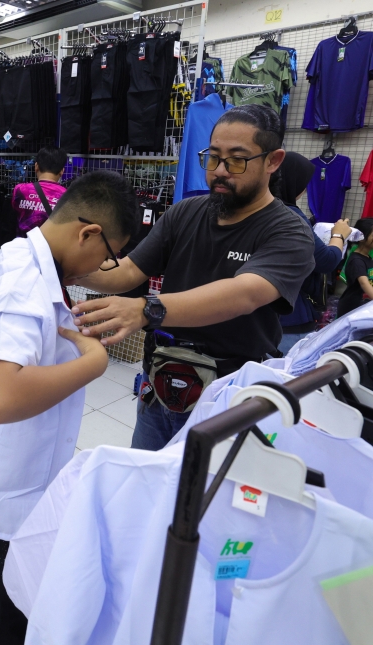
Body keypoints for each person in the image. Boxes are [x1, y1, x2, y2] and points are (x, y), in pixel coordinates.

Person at [0, 171, 138, 645]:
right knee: (4, 620)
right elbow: (0, 397)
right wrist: (90, 365)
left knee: (15, 601)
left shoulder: (22, 256)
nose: (104, 268)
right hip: (3, 490)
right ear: (88, 233)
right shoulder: (26, 283)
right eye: (109, 256)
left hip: (13, 474)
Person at [70, 105, 315, 452]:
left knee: (203, 498)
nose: (219, 171)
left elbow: (245, 292)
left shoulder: (288, 231)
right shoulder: (185, 212)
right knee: (146, 482)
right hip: (160, 387)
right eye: (212, 157)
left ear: (273, 161)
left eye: (236, 160)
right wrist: (65, 265)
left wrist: (147, 309)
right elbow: (127, 270)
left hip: (229, 399)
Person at [271, 151, 354, 354]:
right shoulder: (291, 217)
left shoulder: (258, 210)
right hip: (291, 315)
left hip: (257, 313)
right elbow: (326, 260)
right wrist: (339, 235)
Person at [10, 146, 68, 236]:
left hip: (23, 246)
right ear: (62, 171)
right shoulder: (68, 196)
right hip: (51, 248)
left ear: (36, 166)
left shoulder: (20, 190)